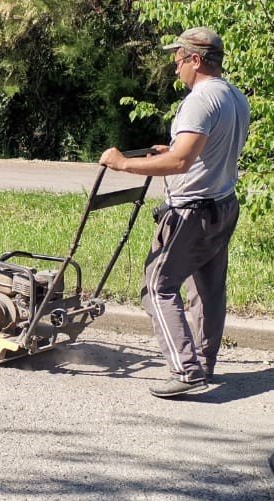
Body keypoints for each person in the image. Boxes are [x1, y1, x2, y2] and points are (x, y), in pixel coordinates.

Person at [99, 27, 250, 399]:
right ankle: (202, 360)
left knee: (157, 286)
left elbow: (182, 162)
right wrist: (169, 149)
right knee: (208, 288)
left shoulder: (200, 100)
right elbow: (197, 149)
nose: (176, 69)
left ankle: (184, 369)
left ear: (196, 60)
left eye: (179, 61)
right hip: (223, 204)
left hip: (191, 212)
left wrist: (121, 164)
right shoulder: (234, 96)